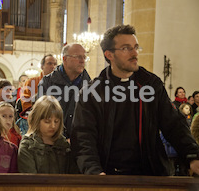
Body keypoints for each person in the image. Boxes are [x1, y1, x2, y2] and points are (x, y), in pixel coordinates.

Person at [71, 24, 199, 176]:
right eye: (126, 48)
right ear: (109, 55)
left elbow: (174, 124)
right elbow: (83, 137)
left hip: (149, 173)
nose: (135, 53)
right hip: (108, 175)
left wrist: (192, 155)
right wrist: (94, 172)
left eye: (136, 47)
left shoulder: (151, 85)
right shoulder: (92, 92)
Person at [37, 45, 91, 139]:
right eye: (78, 57)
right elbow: (41, 116)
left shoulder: (90, 86)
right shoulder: (47, 83)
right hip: (52, 142)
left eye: (84, 57)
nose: (82, 61)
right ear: (64, 59)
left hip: (79, 143)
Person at [18, 96, 72, 173]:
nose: (53, 126)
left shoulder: (63, 145)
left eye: (56, 121)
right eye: (47, 121)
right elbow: (29, 179)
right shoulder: (28, 146)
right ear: (36, 120)